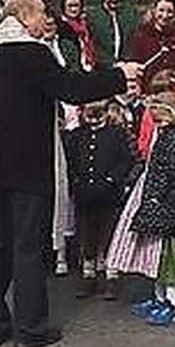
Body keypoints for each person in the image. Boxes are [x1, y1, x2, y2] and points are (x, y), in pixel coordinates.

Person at [0, 0, 136, 347]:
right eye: (43, 12)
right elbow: (71, 88)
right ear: (24, 14)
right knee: (28, 246)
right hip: (27, 164)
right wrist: (118, 77)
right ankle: (30, 328)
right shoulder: (31, 52)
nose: (48, 19)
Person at [115, 93, 175, 328]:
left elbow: (169, 171)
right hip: (162, 199)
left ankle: (173, 304)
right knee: (156, 255)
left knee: (168, 256)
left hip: (169, 202)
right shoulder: (170, 133)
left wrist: (155, 196)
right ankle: (159, 298)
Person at [64, 100, 134, 299]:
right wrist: (76, 181)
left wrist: (113, 179)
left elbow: (125, 159)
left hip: (109, 194)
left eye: (97, 111)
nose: (93, 115)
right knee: (87, 235)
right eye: (88, 110)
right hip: (84, 193)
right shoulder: (76, 136)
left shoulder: (116, 134)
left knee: (109, 234)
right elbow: (70, 162)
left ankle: (112, 276)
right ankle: (89, 275)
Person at [86, 0, 141, 68]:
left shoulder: (130, 14)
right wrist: (110, 63)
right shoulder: (93, 17)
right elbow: (92, 44)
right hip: (102, 66)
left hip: (126, 64)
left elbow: (134, 38)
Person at [56, 0, 97, 72]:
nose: (73, 9)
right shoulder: (60, 27)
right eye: (70, 6)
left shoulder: (86, 24)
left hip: (89, 67)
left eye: (76, 6)